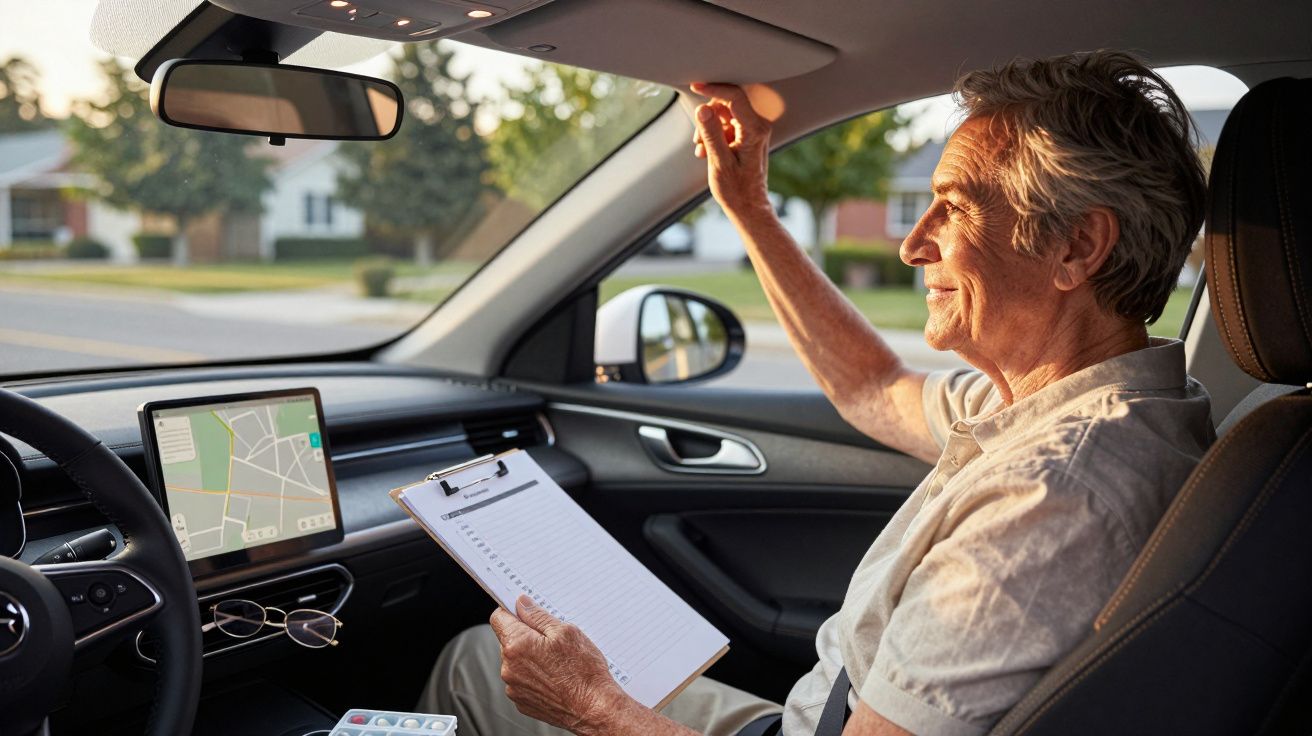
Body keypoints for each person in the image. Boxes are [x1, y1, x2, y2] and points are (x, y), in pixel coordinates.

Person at [417, 50, 1215, 736]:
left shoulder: (1049, 497)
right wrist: (748, 207)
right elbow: (872, 386)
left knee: (472, 669)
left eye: (955, 206)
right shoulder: (1083, 410)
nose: (911, 243)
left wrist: (592, 705)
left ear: (1077, 245)